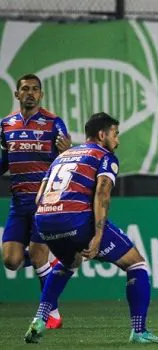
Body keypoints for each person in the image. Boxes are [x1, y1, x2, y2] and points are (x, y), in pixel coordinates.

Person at [24, 112, 158, 344]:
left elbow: (40, 195)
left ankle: (40, 318)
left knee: (69, 262)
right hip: (74, 219)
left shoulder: (64, 156)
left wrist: (46, 229)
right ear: (102, 135)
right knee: (137, 264)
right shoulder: (104, 156)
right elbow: (102, 193)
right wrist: (98, 235)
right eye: (115, 134)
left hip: (44, 219)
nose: (117, 140)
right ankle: (139, 332)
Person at [1, 73, 71, 328]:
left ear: (40, 95)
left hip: (45, 201)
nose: (30, 93)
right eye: (25, 89)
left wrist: (67, 152)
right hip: (19, 204)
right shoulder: (6, 125)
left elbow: (67, 158)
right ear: (17, 94)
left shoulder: (53, 123)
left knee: (38, 255)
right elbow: (4, 161)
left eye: (35, 89)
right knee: (11, 261)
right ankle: (51, 265)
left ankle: (50, 313)